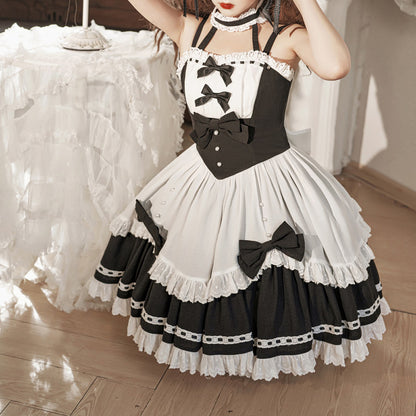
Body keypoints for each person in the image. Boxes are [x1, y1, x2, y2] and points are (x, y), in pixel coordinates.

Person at [86, 0, 392, 381]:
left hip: (269, 177)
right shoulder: (189, 28)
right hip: (199, 176)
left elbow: (335, 66)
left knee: (264, 271)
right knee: (196, 263)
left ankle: (262, 345)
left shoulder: (283, 38)